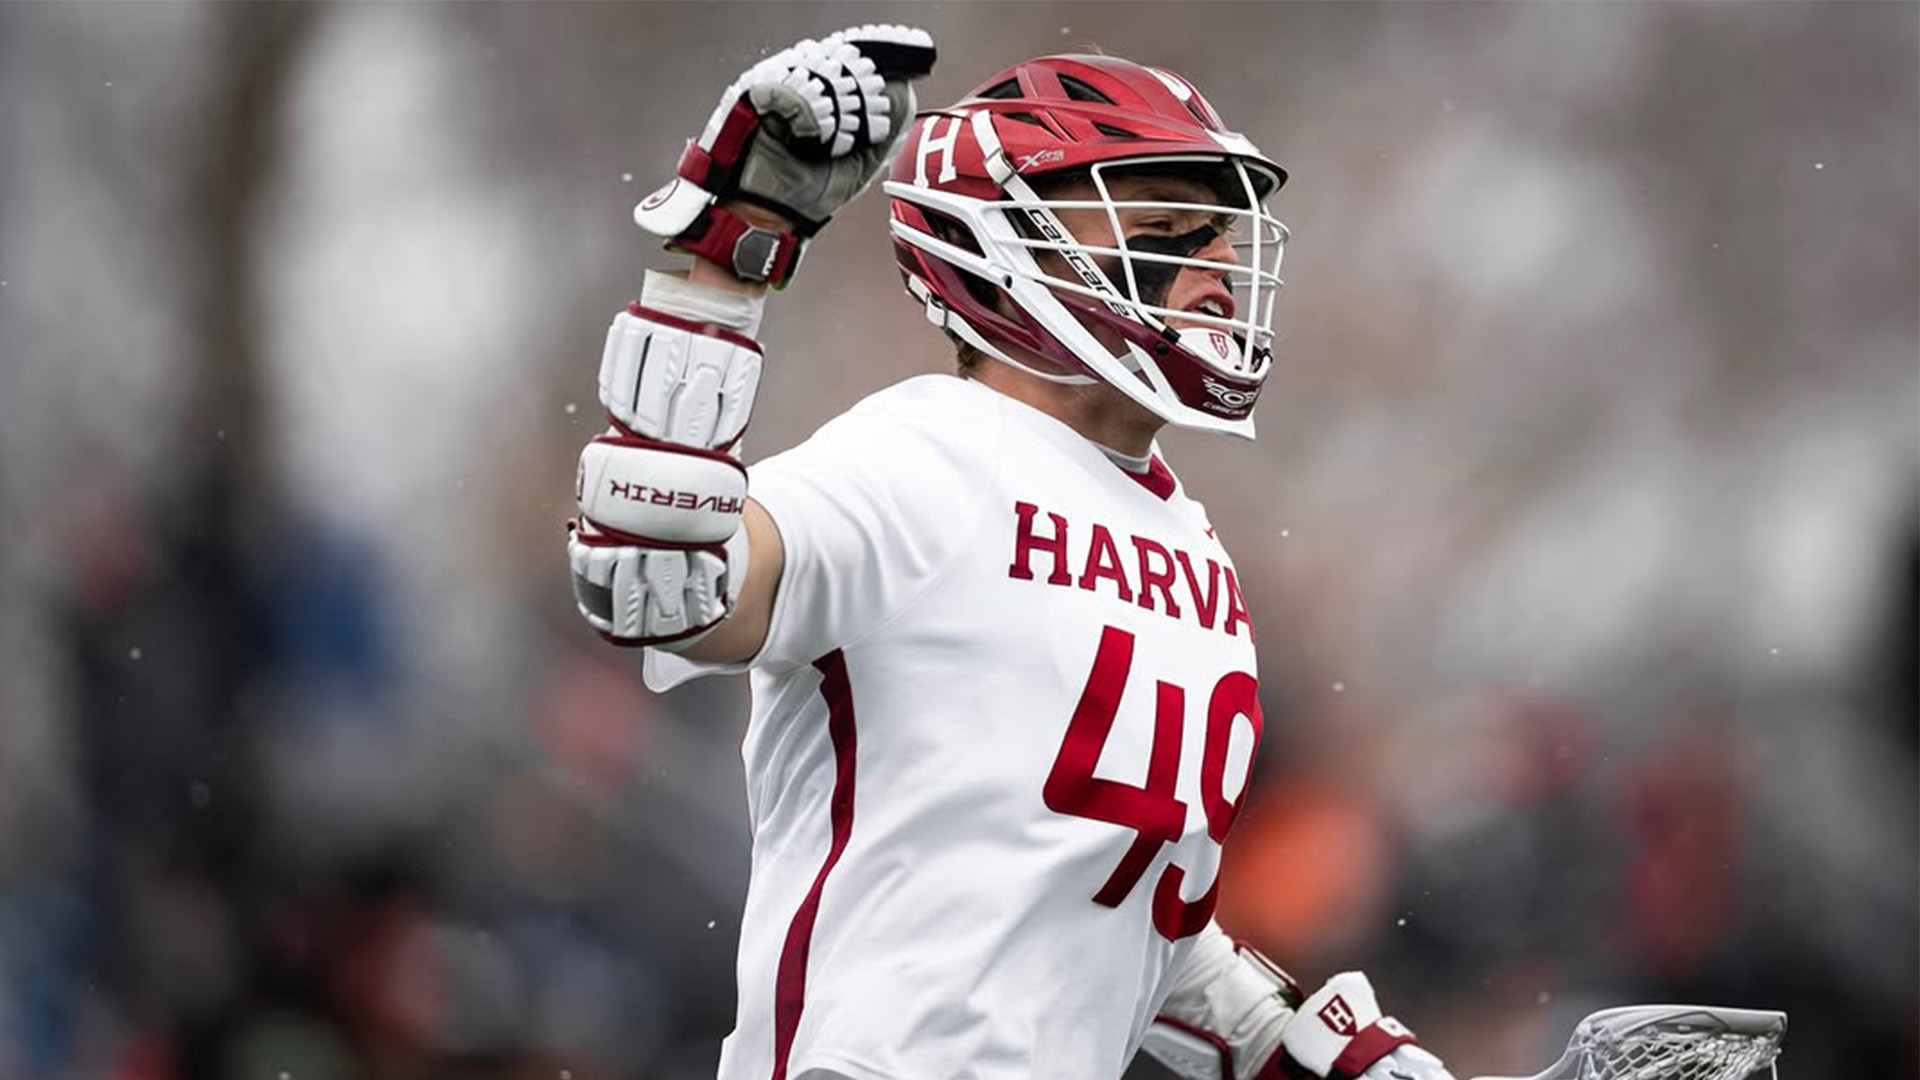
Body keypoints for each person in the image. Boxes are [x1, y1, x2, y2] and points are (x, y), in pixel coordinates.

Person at [567, 25, 1458, 1080]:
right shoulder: (927, 454)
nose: (1220, 268)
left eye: (1223, 234)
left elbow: (1109, 905)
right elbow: (656, 581)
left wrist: (1293, 1042)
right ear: (1004, 252)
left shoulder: (1190, 540)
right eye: (1165, 226)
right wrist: (732, 249)